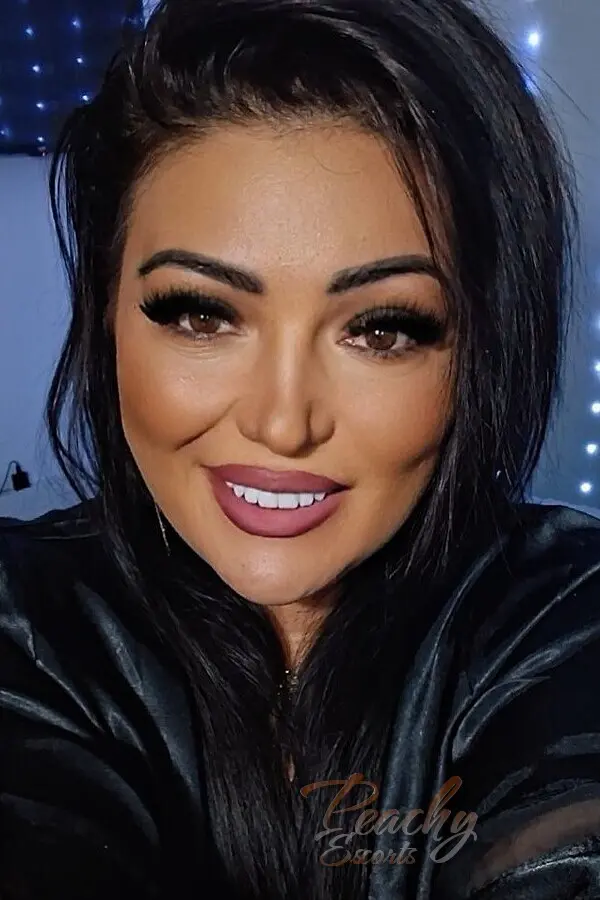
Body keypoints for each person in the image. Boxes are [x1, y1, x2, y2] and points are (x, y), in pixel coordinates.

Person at [1, 0, 599, 897]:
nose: (283, 424)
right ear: (107, 317)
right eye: (201, 314)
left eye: (382, 329)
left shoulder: (567, 614)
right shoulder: (22, 621)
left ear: (480, 346)